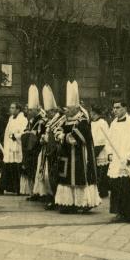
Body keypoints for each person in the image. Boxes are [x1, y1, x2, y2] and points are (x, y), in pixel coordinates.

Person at [50, 81, 101, 213]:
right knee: (66, 179)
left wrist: (64, 136)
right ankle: (68, 203)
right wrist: (61, 135)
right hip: (67, 155)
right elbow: (55, 130)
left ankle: (82, 203)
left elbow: (77, 138)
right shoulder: (66, 119)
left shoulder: (82, 121)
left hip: (79, 155)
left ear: (76, 108)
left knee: (79, 179)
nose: (67, 110)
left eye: (70, 108)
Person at [33, 85, 59, 205]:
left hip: (54, 152)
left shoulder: (59, 120)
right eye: (47, 112)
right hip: (45, 150)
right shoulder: (49, 121)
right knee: (44, 172)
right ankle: (46, 193)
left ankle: (53, 196)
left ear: (54, 111)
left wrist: (46, 138)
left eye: (49, 112)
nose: (47, 114)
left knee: (51, 174)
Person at [0, 102, 28, 195]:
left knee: (16, 167)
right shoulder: (10, 119)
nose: (11, 109)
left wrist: (16, 136)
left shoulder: (23, 119)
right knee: (7, 166)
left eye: (13, 108)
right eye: (11, 107)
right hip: (10, 146)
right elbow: (7, 132)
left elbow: (24, 132)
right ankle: (3, 187)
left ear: (18, 109)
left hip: (17, 146)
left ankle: (17, 188)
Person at [21, 85, 45, 199]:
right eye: (28, 110)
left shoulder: (41, 121)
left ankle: (38, 192)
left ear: (37, 110)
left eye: (31, 110)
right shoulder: (31, 120)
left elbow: (40, 134)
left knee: (36, 171)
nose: (29, 112)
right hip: (29, 150)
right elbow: (26, 130)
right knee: (30, 170)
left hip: (37, 149)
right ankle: (33, 192)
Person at [90, 105, 110, 198]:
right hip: (93, 148)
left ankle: (103, 191)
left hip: (101, 150)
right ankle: (97, 190)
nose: (91, 115)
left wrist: (96, 151)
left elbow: (103, 138)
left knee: (102, 172)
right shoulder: (92, 123)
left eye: (92, 113)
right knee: (96, 172)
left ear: (96, 114)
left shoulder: (102, 123)